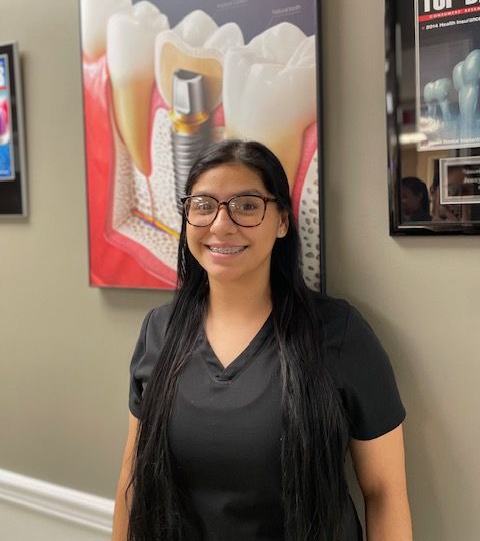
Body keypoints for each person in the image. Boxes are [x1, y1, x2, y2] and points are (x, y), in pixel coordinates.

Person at [112, 140, 412, 541]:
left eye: (247, 205)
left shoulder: (338, 333)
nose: (221, 224)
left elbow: (385, 493)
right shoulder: (159, 332)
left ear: (283, 222)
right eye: (203, 206)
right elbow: (131, 484)